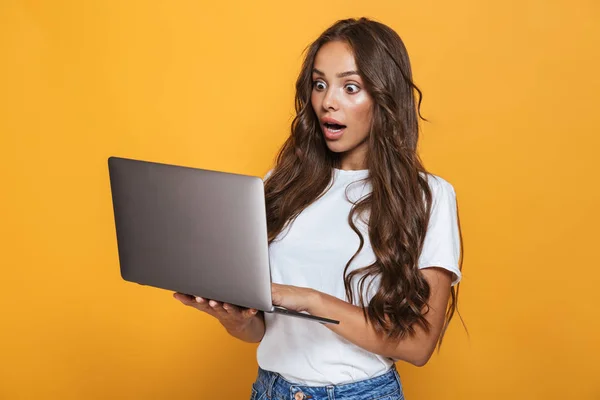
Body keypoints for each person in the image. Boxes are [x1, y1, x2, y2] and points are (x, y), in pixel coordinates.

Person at [174, 17, 463, 400]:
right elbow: (263, 331)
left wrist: (309, 299)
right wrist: (235, 320)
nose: (328, 101)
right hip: (271, 389)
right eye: (320, 83)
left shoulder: (428, 197)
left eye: (350, 87)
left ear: (384, 97)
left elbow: (417, 344)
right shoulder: (282, 183)